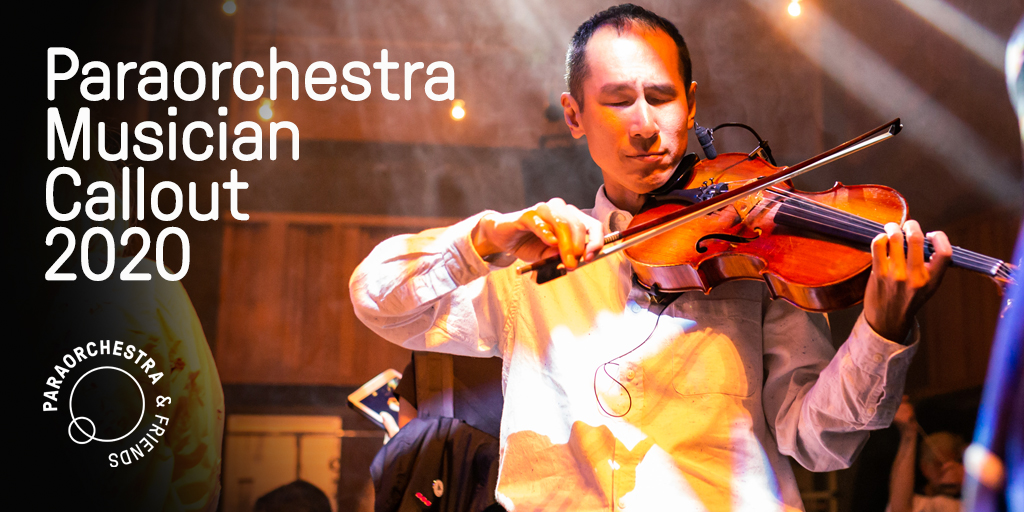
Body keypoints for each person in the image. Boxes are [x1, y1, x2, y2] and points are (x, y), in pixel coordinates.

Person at [349, 4, 953, 510]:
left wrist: (882, 330)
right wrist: (487, 237)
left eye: (660, 97)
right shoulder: (533, 261)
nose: (644, 125)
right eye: (617, 101)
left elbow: (820, 443)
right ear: (574, 115)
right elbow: (379, 299)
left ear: (690, 105)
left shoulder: (753, 253)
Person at [889, 396, 966, 512]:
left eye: (956, 462)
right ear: (924, 468)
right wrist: (908, 433)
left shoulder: (969, 501)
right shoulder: (919, 501)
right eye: (939, 464)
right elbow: (900, 509)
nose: (949, 471)